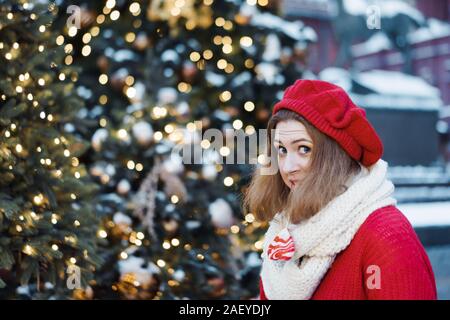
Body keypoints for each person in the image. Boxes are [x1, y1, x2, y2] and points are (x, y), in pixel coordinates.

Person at [243, 79, 437, 300]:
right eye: (282, 150)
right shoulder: (283, 230)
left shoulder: (386, 236)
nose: (287, 167)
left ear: (337, 155)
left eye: (304, 149)